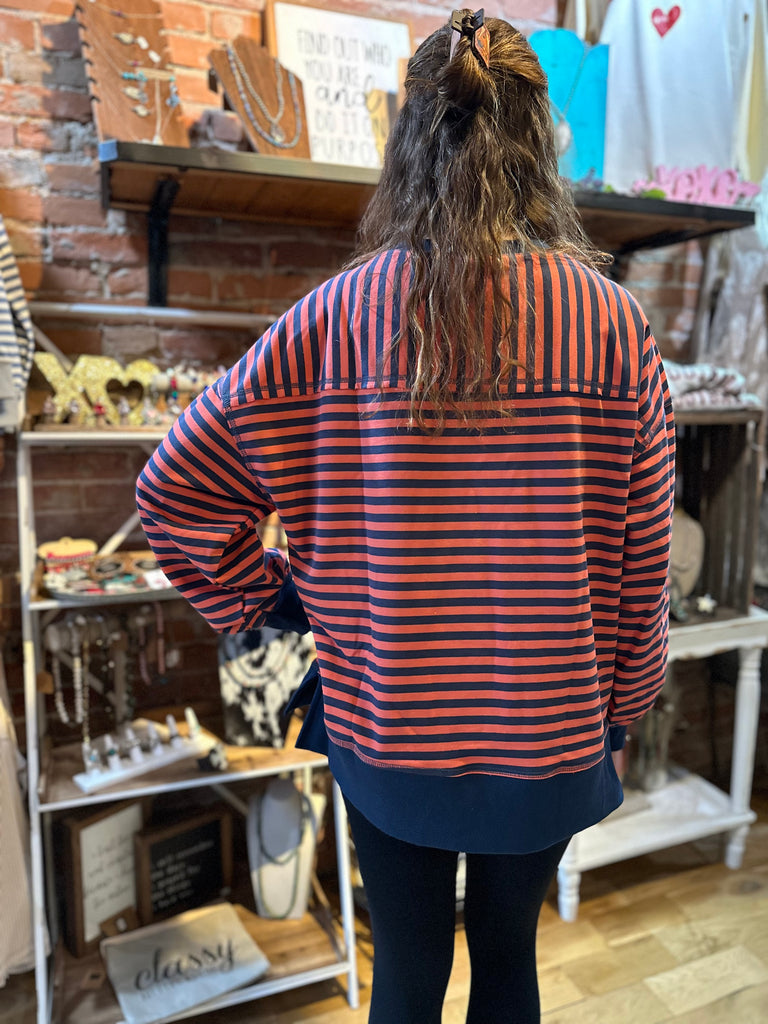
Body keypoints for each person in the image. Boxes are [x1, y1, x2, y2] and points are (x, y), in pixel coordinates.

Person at [136, 10, 674, 1023]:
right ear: (540, 140)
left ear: (409, 138)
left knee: (410, 969)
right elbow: (644, 558)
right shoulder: (613, 324)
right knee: (508, 958)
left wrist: (276, 601)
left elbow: (174, 489)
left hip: (385, 723)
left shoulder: (335, 318)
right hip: (552, 728)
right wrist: (624, 708)